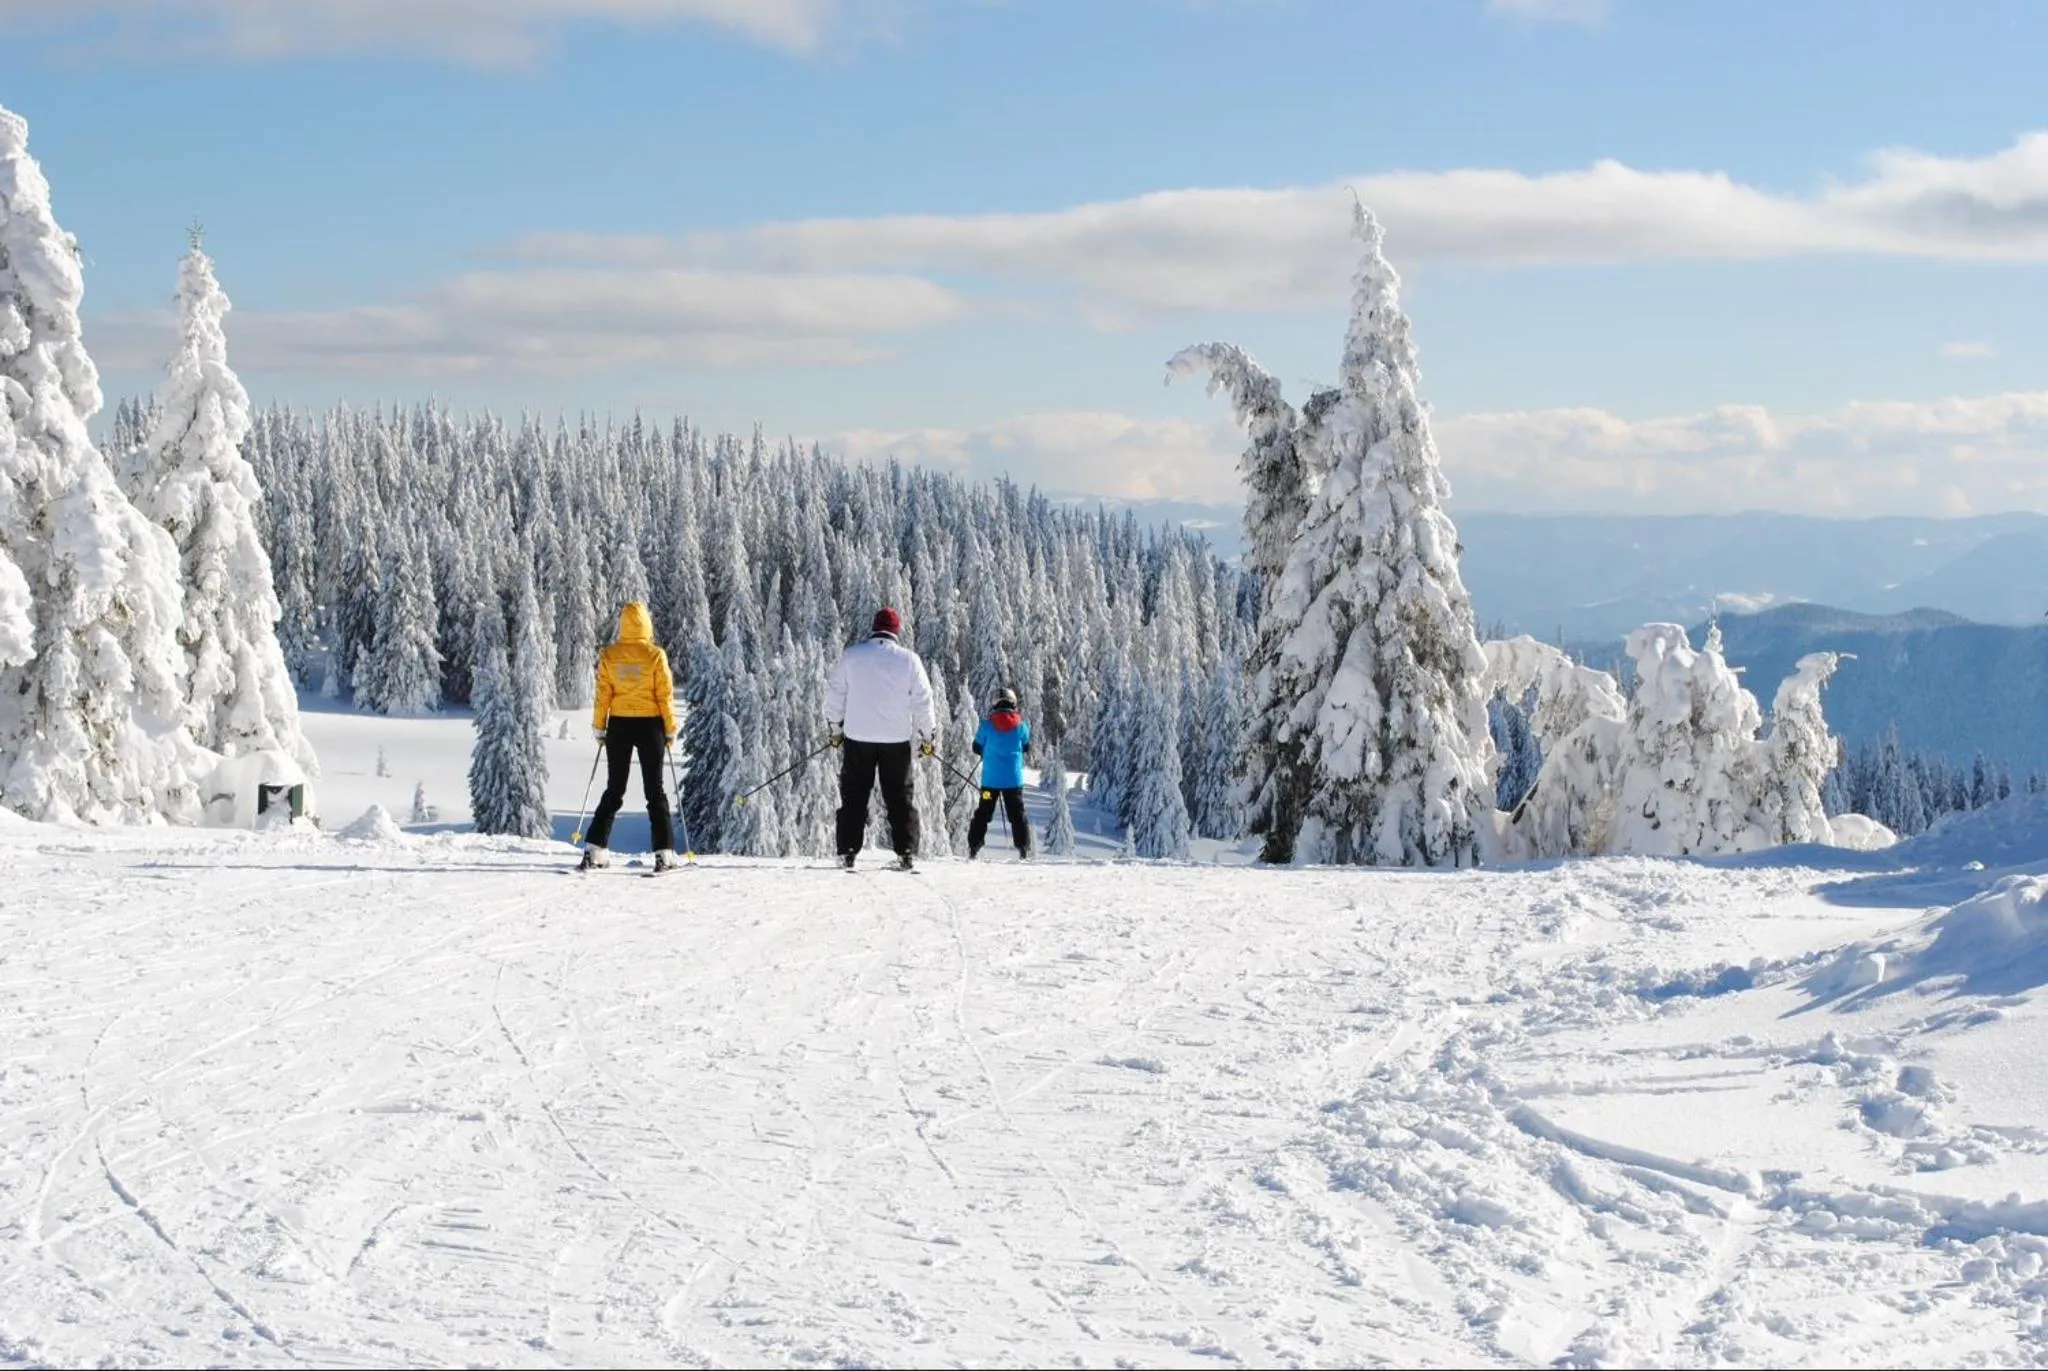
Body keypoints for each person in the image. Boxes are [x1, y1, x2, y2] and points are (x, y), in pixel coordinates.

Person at [825, 607, 937, 870]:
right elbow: (923, 701)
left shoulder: (852, 656)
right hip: (895, 739)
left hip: (858, 736)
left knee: (854, 794)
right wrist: (928, 736)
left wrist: (835, 729)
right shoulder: (909, 660)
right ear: (896, 631)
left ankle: (848, 851)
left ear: (874, 628)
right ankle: (906, 852)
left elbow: (835, 695)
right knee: (899, 796)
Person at [578, 601, 679, 872]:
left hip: (619, 726)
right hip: (650, 725)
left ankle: (594, 850)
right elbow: (664, 695)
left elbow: (603, 695)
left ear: (622, 624)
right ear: (646, 623)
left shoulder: (610, 655)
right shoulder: (655, 655)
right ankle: (664, 854)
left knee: (614, 789)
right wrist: (670, 728)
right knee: (655, 790)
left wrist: (599, 726)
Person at [968, 687, 1033, 861]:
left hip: (990, 783)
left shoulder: (987, 725)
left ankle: (974, 848)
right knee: (1017, 815)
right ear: (1013, 703)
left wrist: (986, 750)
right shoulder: (1021, 726)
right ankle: (1023, 850)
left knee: (983, 813)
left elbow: (976, 747)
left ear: (994, 704)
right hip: (1013, 783)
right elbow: (1026, 746)